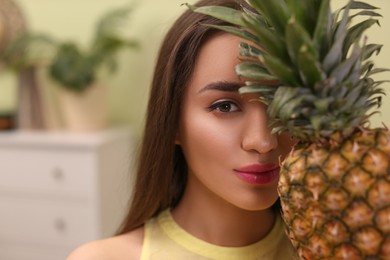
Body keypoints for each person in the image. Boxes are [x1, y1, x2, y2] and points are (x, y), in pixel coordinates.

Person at [67, 0, 297, 259]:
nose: (263, 141)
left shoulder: (336, 250)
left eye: (282, 102)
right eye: (225, 106)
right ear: (173, 121)